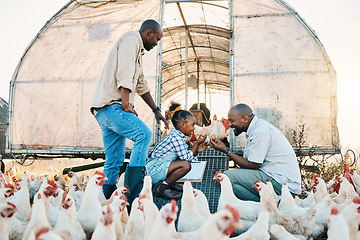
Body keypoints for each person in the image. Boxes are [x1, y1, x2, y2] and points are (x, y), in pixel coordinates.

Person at [90, 19, 169, 204]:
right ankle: (133, 197)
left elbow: (141, 84)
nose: (157, 43)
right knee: (143, 134)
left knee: (114, 161)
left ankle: (105, 202)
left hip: (104, 112)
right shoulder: (132, 39)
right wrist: (125, 104)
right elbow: (124, 72)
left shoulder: (137, 52)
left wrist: (156, 110)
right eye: (157, 39)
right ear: (149, 32)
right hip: (112, 106)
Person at [210, 103, 301, 202]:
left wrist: (226, 150)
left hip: (283, 184)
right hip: (276, 179)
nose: (229, 124)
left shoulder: (260, 131)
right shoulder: (257, 129)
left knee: (227, 177)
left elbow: (253, 165)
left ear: (245, 119)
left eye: (232, 121)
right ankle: (267, 205)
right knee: (232, 184)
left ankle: (266, 206)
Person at [146, 105, 207, 200]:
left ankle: (171, 183)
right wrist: (196, 144)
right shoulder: (176, 138)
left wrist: (197, 150)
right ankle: (162, 188)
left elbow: (184, 155)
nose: (194, 128)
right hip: (153, 170)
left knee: (181, 160)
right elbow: (187, 159)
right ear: (182, 124)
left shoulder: (177, 136)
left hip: (157, 166)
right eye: (192, 125)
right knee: (186, 165)